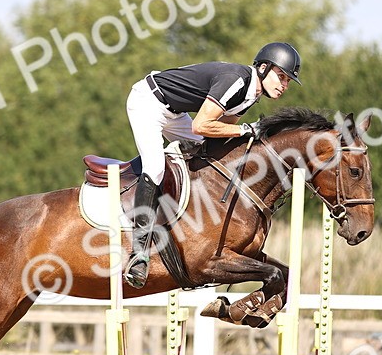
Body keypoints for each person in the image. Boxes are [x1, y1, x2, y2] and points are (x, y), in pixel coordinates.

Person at [123, 41, 302, 288]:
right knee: (154, 167)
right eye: (280, 76)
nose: (284, 85)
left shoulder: (252, 95)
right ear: (262, 67)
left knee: (208, 154)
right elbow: (201, 126)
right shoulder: (236, 81)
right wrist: (246, 129)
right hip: (148, 103)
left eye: (288, 81)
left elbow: (217, 137)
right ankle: (140, 252)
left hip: (174, 114)